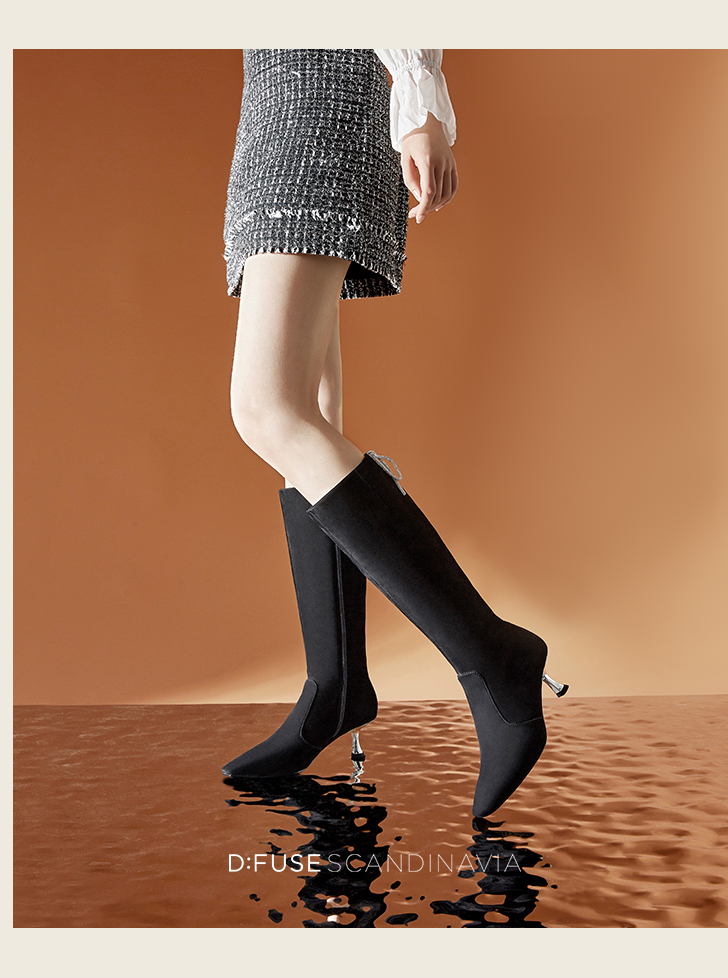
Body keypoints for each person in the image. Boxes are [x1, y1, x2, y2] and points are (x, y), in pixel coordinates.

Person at [221, 49, 567, 818]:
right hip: (273, 115)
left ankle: (493, 655)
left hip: (320, 106)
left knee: (268, 407)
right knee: (310, 416)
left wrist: (419, 107)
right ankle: (336, 684)